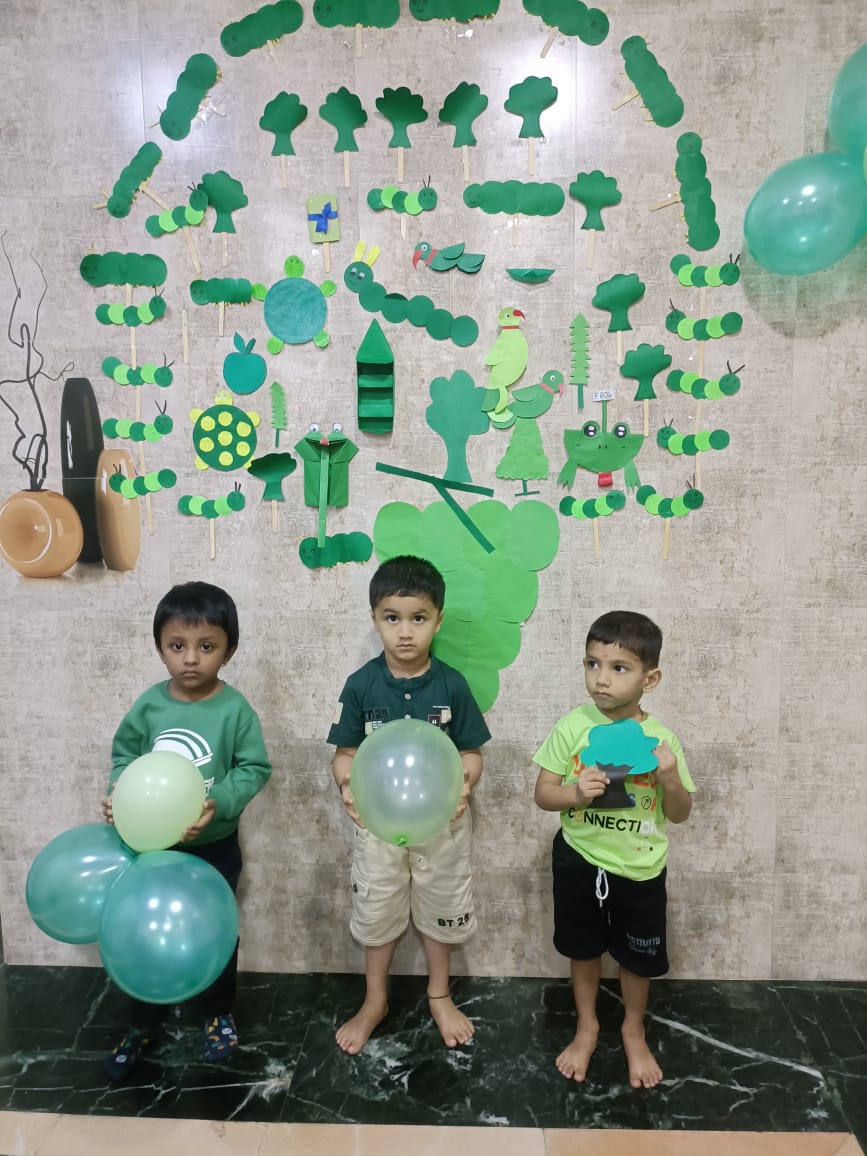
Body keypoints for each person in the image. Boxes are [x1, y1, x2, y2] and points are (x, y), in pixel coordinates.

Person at [101, 581, 272, 1080]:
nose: (191, 659)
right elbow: (125, 757)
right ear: (160, 648)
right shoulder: (150, 707)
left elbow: (254, 769)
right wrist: (120, 794)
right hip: (150, 850)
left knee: (215, 932)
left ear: (229, 650)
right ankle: (143, 1020)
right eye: (177, 647)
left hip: (213, 846)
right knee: (143, 932)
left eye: (206, 647)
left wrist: (217, 803)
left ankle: (217, 1014)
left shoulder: (234, 709)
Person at [328, 555, 491, 1054]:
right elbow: (346, 754)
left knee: (440, 907)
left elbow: (470, 753)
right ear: (374, 618)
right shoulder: (361, 685)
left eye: (418, 618)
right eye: (391, 618)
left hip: (441, 828)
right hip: (376, 828)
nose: (404, 632)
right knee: (377, 912)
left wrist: (465, 784)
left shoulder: (451, 685)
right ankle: (375, 999)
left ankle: (438, 994)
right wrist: (347, 787)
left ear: (437, 620)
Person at [533, 610, 694, 1090]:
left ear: (652, 678)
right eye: (592, 664)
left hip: (640, 867)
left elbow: (681, 813)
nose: (601, 679)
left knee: (636, 957)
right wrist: (575, 792)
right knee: (582, 949)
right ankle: (587, 1026)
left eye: (618, 668)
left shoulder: (663, 740)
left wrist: (668, 778)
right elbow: (543, 794)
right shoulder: (571, 728)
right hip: (579, 858)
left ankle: (633, 1029)